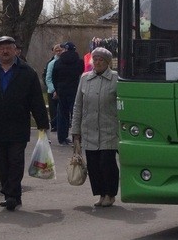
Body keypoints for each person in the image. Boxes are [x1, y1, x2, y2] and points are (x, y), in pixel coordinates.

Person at [0, 36, 50, 211]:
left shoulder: (27, 72)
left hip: (18, 124)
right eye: (1, 48)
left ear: (16, 50)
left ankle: (11, 195)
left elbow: (36, 100)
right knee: (3, 162)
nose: (5, 51)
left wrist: (42, 123)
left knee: (15, 160)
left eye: (9, 47)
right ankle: (12, 195)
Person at [71, 47, 120, 207]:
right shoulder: (85, 78)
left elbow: (122, 104)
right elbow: (78, 106)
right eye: (95, 59)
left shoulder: (115, 78)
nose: (97, 62)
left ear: (107, 63)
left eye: (101, 60)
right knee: (93, 165)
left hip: (109, 129)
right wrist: (75, 131)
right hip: (89, 129)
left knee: (107, 164)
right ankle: (100, 194)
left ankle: (110, 194)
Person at [52, 41, 84, 145]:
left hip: (62, 91)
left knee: (62, 115)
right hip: (74, 90)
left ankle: (62, 138)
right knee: (76, 115)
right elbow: (80, 73)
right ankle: (77, 137)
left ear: (65, 50)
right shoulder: (79, 62)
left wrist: (57, 89)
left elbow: (54, 77)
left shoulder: (58, 62)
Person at [43, 44, 63, 132]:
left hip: (61, 90)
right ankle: (54, 125)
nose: (59, 52)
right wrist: (53, 90)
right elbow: (48, 78)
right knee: (53, 110)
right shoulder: (51, 63)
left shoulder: (64, 62)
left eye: (60, 50)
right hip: (52, 90)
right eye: (57, 50)